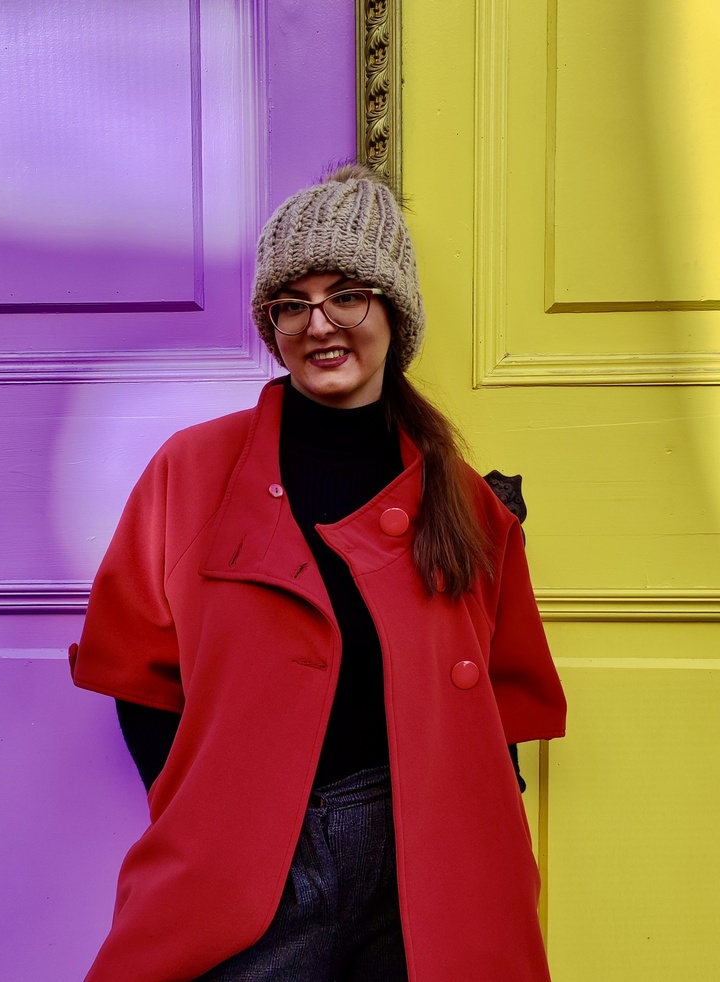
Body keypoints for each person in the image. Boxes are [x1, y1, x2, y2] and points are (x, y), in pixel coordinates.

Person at [69, 163, 567, 982]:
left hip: (420, 863)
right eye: (291, 303)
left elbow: (502, 714)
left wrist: (469, 847)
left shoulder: (467, 504)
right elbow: (138, 675)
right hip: (250, 859)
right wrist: (208, 808)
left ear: (393, 311)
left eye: (346, 294)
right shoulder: (190, 470)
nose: (319, 323)